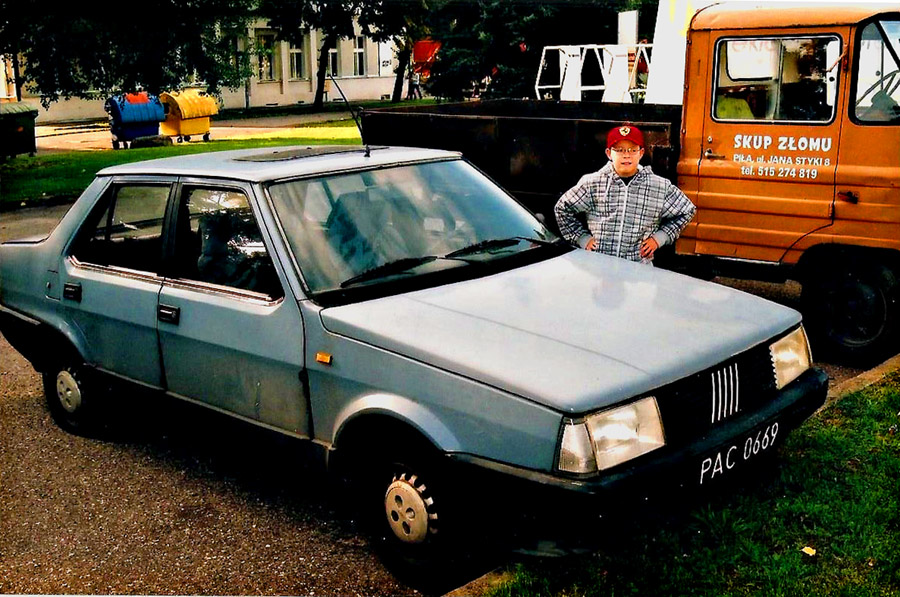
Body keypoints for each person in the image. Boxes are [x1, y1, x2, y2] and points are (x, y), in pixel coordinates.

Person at [554, 124, 695, 264]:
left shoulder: (659, 186)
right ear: (609, 153)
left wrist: (659, 238)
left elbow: (687, 210)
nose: (626, 155)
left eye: (632, 150)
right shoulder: (593, 183)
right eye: (619, 150)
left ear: (641, 153)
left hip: (638, 269)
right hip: (598, 267)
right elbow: (562, 208)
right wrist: (582, 239)